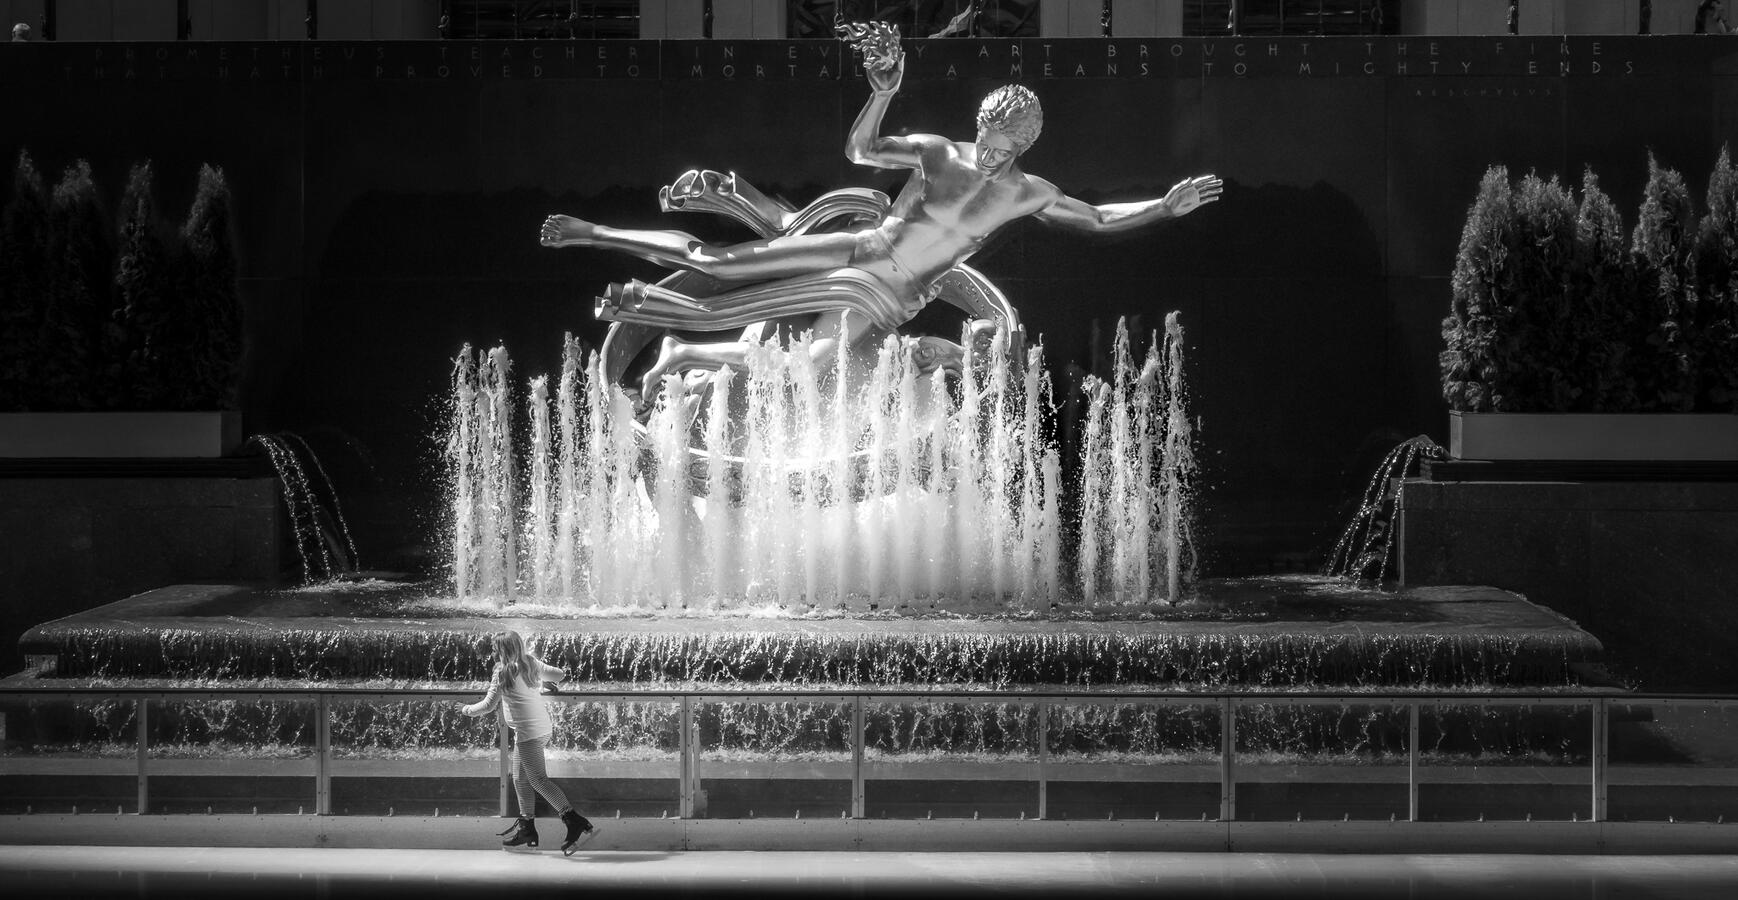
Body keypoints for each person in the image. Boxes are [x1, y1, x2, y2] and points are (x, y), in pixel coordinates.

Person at [539, 23, 1221, 402]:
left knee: (807, 366)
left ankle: (682, 349)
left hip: (893, 296)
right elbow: (861, 149)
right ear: (976, 127)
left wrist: (1162, 206)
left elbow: (1098, 220)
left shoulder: (1029, 192)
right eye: (986, 138)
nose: (989, 154)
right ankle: (593, 233)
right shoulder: (935, 152)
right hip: (860, 251)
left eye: (1005, 147)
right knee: (715, 262)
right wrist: (883, 92)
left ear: (1025, 147)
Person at [460, 630, 600, 854]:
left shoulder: (502, 672)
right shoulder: (531, 664)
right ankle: (527, 827)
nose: (493, 652)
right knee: (519, 779)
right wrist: (542, 686)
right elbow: (560, 675)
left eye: (496, 649)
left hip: (528, 734)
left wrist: (466, 710)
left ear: (503, 650)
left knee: (538, 780)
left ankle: (573, 819)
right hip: (542, 728)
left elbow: (487, 706)